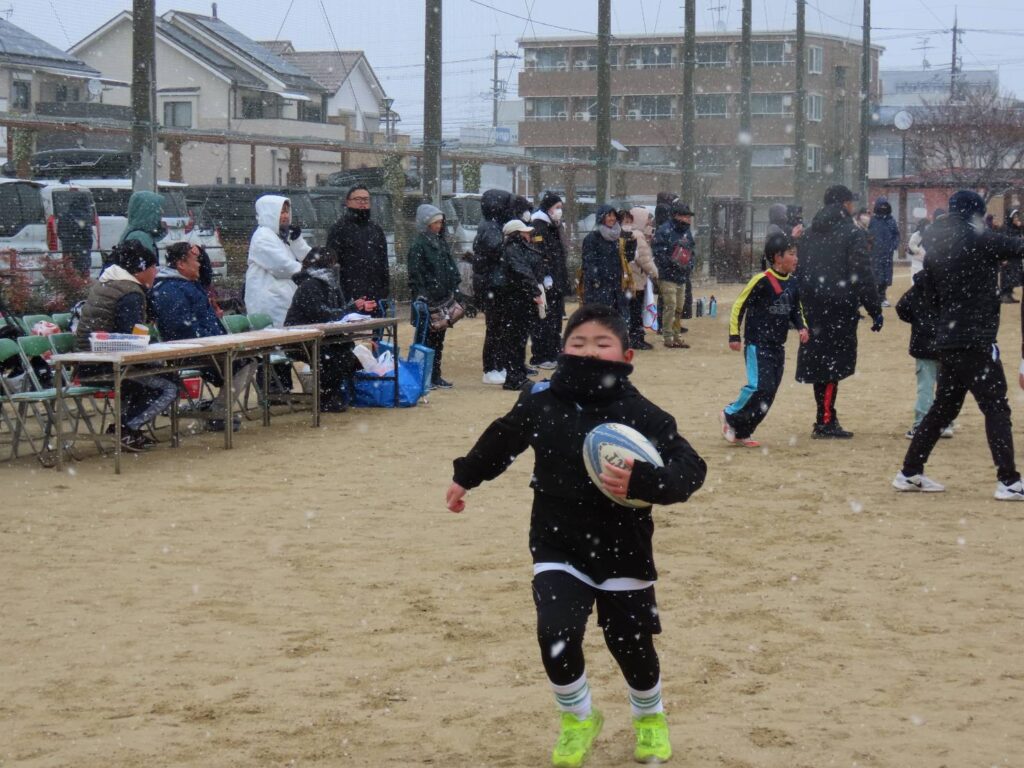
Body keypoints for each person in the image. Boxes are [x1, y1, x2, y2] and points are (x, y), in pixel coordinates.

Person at [446, 304, 707, 768]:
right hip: (557, 543)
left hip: (624, 548)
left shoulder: (642, 413)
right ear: (563, 349)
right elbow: (503, 439)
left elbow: (690, 468)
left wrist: (647, 482)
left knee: (631, 644)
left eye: (602, 344)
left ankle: (649, 717)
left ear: (627, 355)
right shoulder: (540, 400)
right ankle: (578, 719)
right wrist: (466, 476)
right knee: (555, 633)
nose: (589, 351)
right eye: (578, 343)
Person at [894, 190, 1024, 500]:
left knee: (944, 408)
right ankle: (1008, 481)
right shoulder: (978, 238)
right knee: (995, 406)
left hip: (948, 340)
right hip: (975, 339)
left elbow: (928, 294)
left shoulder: (938, 245)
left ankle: (910, 472)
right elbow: (1017, 246)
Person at [795, 185, 883, 439]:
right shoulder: (852, 233)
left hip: (813, 307)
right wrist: (874, 308)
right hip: (839, 308)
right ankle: (825, 421)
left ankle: (825, 416)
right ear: (844, 204)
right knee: (832, 366)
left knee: (821, 364)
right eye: (850, 202)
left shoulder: (809, 233)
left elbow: (800, 270)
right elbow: (862, 274)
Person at [74, 240, 176, 452]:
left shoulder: (109, 283)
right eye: (153, 267)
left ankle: (126, 428)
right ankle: (125, 429)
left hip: (90, 362)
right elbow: (130, 337)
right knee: (169, 386)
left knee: (153, 380)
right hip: (104, 366)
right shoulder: (130, 293)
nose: (156, 272)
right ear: (141, 269)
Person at [149, 242, 253, 431]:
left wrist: (217, 340)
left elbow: (205, 273)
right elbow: (181, 328)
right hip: (191, 351)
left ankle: (216, 410)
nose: (199, 264)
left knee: (248, 359)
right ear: (181, 264)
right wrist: (212, 341)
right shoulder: (170, 289)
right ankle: (217, 412)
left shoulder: (186, 283)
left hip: (207, 346)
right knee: (244, 362)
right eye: (195, 260)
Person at [721, 232, 809, 448]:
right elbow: (739, 305)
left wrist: (802, 326)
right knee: (758, 387)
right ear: (778, 257)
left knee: (769, 393)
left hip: (778, 346)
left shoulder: (793, 283)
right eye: (791, 254)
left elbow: (796, 309)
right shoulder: (761, 280)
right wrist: (734, 335)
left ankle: (743, 430)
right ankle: (730, 413)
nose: (796, 258)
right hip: (757, 344)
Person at [285, 247, 375, 412]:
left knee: (345, 351)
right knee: (332, 355)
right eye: (333, 262)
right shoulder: (310, 286)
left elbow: (336, 312)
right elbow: (321, 315)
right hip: (300, 339)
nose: (336, 266)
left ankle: (334, 393)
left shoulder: (331, 285)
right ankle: (327, 396)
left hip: (322, 337)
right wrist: (350, 309)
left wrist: (352, 309)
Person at [894, 260, 953, 441]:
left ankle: (921, 423)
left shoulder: (919, 286)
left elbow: (901, 307)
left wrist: (918, 321)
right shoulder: (951, 284)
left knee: (925, 386)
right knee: (946, 386)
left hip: (924, 342)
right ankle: (945, 422)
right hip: (948, 341)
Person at [408, 203, 461, 389]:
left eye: (440, 222)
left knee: (438, 339)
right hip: (428, 301)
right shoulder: (419, 245)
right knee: (426, 339)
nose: (439, 226)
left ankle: (435, 375)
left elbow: (450, 266)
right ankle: (423, 376)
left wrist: (455, 284)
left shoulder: (439, 242)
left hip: (442, 299)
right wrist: (422, 295)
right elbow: (415, 274)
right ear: (426, 223)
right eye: (435, 222)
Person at [244, 195, 311, 328]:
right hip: (269, 302)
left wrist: (297, 240)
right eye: (281, 212)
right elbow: (282, 266)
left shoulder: (281, 236)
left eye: (287, 212)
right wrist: (308, 271)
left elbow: (306, 256)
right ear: (269, 213)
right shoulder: (262, 236)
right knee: (273, 337)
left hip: (282, 299)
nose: (285, 216)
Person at [473, 189, 514, 385]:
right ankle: (490, 368)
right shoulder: (490, 227)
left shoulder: (495, 225)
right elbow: (498, 251)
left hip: (496, 285)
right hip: (493, 286)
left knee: (501, 328)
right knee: (495, 328)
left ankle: (500, 364)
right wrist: (512, 241)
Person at [498, 219, 544, 391]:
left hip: (519, 299)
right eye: (524, 231)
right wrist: (535, 291)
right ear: (516, 234)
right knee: (515, 339)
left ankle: (518, 375)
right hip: (515, 300)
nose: (528, 234)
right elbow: (522, 271)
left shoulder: (518, 249)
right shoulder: (513, 250)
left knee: (519, 339)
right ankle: (514, 377)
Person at [326, 185, 390, 307]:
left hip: (375, 295)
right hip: (349, 295)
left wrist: (384, 291)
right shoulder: (338, 229)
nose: (362, 203)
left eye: (365, 199)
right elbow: (331, 264)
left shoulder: (376, 229)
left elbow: (384, 263)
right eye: (358, 199)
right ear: (348, 202)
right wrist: (341, 296)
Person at [528, 191, 571, 369]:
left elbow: (559, 253)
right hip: (546, 280)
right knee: (543, 318)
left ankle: (554, 351)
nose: (559, 211)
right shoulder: (539, 225)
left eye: (561, 207)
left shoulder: (555, 226)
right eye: (557, 207)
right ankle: (541, 355)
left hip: (556, 279)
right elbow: (539, 253)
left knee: (555, 318)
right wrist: (545, 275)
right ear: (548, 208)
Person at [652, 200, 696, 349]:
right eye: (685, 216)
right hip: (667, 276)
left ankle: (677, 336)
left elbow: (692, 251)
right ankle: (668, 336)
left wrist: (689, 265)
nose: (688, 219)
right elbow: (658, 253)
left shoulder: (686, 232)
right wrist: (673, 263)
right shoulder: (664, 230)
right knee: (670, 305)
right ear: (677, 215)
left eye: (689, 216)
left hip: (682, 276)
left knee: (679, 307)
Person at [626, 206, 658, 350]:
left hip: (632, 279)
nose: (650, 222)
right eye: (647, 219)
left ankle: (634, 337)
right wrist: (655, 273)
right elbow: (645, 260)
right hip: (636, 280)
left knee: (633, 310)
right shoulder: (638, 236)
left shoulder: (632, 233)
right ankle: (636, 338)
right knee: (636, 311)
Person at [868, 197, 900, 307]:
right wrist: (870, 246)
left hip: (887, 254)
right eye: (881, 206)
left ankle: (882, 297)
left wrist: (893, 245)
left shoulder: (891, 220)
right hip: (875, 254)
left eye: (885, 206)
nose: (883, 208)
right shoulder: (872, 220)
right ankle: (877, 297)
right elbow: (867, 234)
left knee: (886, 277)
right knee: (877, 276)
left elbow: (896, 234)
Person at [118, 190, 165, 262]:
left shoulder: (137, 232)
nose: (162, 211)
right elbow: (145, 266)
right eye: (158, 208)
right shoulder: (139, 237)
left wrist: (160, 232)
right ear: (148, 211)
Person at [58, 192, 95, 277]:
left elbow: (60, 233)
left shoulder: (65, 215)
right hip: (82, 252)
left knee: (69, 274)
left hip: (67, 250)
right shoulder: (85, 216)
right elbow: (88, 235)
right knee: (82, 275)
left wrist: (68, 242)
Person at [999, 209, 1023, 303]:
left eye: (1017, 216)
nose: (1017, 218)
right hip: (1008, 257)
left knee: (1013, 276)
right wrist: (1003, 258)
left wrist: (1019, 228)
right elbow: (1004, 244)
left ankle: (1009, 294)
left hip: (1015, 257)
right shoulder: (1006, 229)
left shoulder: (1016, 228)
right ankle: (1004, 295)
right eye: (1015, 217)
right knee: (1007, 276)